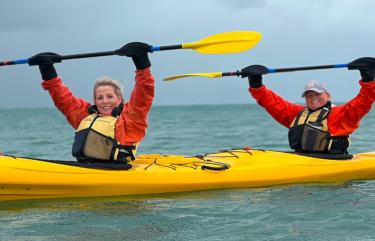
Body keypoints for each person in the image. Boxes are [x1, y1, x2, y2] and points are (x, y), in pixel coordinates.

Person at [28, 42, 155, 164]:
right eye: (100, 98)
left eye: (110, 96)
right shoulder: (84, 117)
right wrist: (47, 70)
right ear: (95, 101)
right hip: (86, 168)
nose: (105, 101)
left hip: (118, 170)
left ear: (120, 99)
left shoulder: (130, 120)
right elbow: (64, 100)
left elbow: (143, 94)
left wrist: (141, 62)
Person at [241, 57, 375, 154]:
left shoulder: (340, 114)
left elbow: (364, 101)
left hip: (331, 162)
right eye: (309, 95)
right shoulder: (296, 113)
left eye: (317, 94)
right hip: (301, 160)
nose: (313, 98)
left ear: (328, 95)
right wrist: (256, 83)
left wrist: (367, 78)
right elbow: (272, 102)